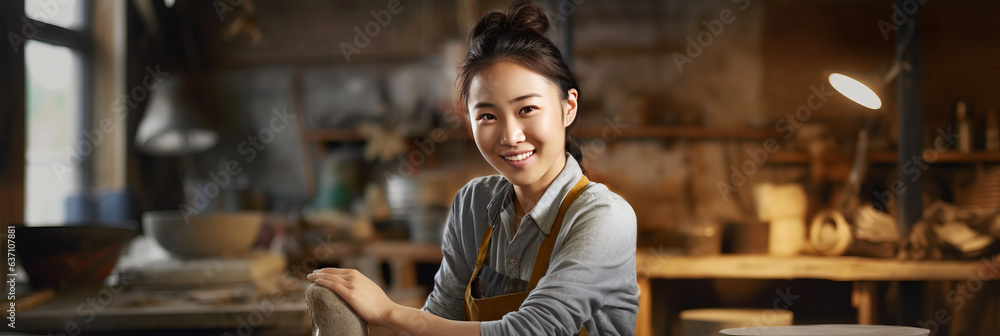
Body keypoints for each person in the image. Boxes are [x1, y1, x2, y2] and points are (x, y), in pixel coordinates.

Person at [307, 1, 639, 335]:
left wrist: (390, 313)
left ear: (568, 108)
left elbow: (532, 330)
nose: (511, 136)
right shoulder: (474, 204)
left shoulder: (605, 218)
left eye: (527, 109)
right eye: (488, 116)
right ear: (469, 123)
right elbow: (443, 317)